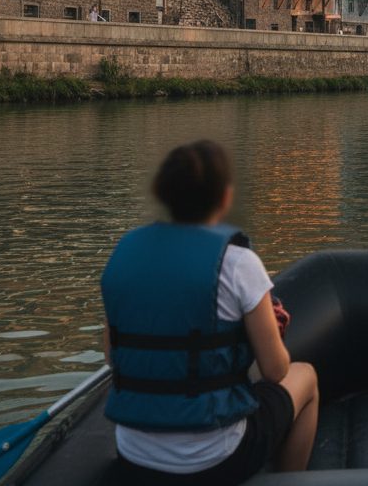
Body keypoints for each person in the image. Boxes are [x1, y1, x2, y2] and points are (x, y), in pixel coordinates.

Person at [101, 140, 319, 484]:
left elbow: (113, 356)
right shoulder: (238, 264)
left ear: (162, 194)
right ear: (224, 198)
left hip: (134, 452)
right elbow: (276, 371)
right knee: (305, 376)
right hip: (215, 457)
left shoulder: (124, 255)